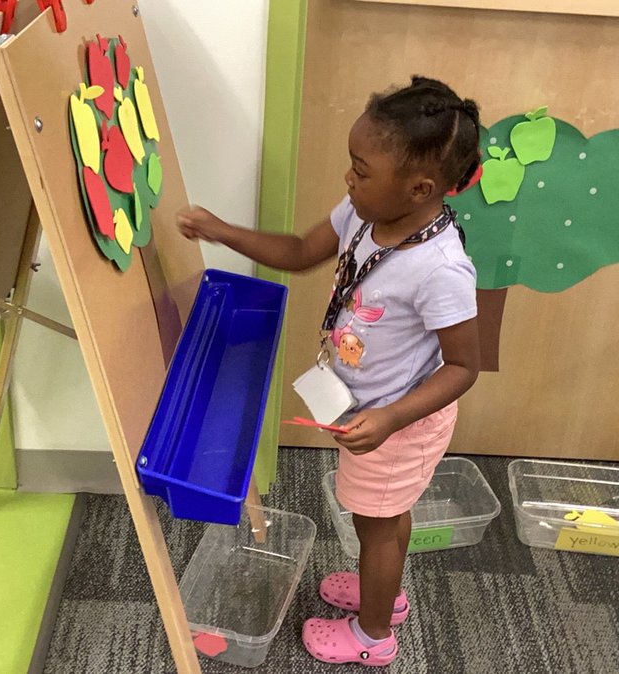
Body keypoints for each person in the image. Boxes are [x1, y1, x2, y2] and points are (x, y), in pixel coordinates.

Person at [177, 76, 480, 667]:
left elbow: (465, 366)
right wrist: (221, 230)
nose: (349, 178)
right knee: (385, 519)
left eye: (361, 170)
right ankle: (382, 597)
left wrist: (389, 418)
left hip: (400, 423)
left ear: (419, 188)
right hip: (370, 409)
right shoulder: (364, 214)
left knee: (377, 525)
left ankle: (373, 637)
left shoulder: (441, 270)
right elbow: (298, 251)